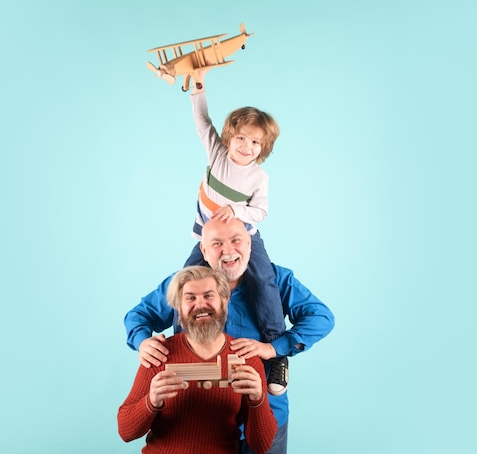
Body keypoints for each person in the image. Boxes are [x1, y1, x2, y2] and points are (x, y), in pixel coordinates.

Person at [124, 218, 335, 454]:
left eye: (236, 240)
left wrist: (273, 348)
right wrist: (143, 342)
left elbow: (321, 317)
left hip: (266, 409)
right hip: (207, 418)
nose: (228, 251)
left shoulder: (276, 280)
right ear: (204, 249)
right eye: (217, 243)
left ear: (249, 243)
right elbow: (138, 316)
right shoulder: (187, 286)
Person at [183, 68, 289, 395]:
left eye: (255, 142)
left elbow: (261, 211)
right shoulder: (217, 154)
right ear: (230, 137)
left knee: (265, 280)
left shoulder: (259, 179)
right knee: (188, 280)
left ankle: (277, 355)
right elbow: (202, 121)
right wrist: (197, 85)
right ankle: (183, 346)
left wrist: (236, 211)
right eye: (241, 137)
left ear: (263, 148)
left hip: (245, 238)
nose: (246, 146)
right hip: (209, 237)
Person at [118, 266, 277, 454]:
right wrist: (150, 401)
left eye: (209, 296)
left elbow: (261, 445)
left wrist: (257, 400)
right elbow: (126, 432)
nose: (200, 305)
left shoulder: (246, 358)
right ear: (179, 308)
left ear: (224, 302)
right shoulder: (159, 354)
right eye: (190, 298)